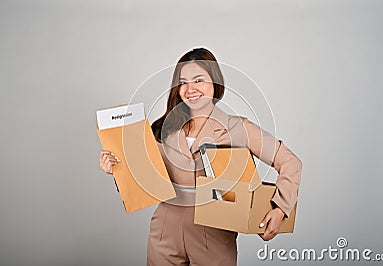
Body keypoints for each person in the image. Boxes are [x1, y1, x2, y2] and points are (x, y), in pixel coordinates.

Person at [99, 48, 302, 266]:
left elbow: (290, 162)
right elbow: (146, 178)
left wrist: (280, 207)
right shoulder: (163, 128)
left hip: (214, 231)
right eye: (183, 82)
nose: (190, 89)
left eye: (198, 80)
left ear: (215, 83)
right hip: (165, 228)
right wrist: (117, 169)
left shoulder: (238, 128)